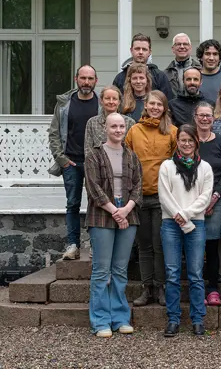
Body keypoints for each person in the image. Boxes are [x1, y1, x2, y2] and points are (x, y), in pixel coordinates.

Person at [85, 113, 142, 338]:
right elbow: (93, 187)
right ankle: (100, 321)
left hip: (128, 213)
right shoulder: (94, 155)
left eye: (121, 126)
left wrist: (125, 210)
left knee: (120, 270)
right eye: (114, 126)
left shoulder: (131, 155)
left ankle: (120, 318)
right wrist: (115, 211)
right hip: (102, 215)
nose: (118, 130)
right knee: (101, 271)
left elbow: (139, 185)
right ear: (105, 129)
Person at [158, 124, 214, 337]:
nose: (187, 144)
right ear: (177, 142)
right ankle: (173, 319)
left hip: (196, 224)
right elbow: (164, 196)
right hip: (171, 223)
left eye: (190, 140)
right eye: (183, 140)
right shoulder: (167, 166)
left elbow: (205, 197)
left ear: (196, 143)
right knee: (172, 274)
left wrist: (187, 216)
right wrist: (179, 217)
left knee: (196, 273)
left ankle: (198, 319)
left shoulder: (205, 168)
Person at [125, 90, 178, 307]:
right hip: (139, 197)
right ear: (145, 105)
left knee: (160, 245)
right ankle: (147, 288)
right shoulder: (134, 131)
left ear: (164, 108)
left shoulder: (172, 131)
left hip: (162, 198)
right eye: (152, 104)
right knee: (144, 246)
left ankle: (161, 287)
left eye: (159, 104)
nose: (155, 108)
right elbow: (126, 162)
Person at [48, 65, 101, 260]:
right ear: (76, 79)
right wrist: (62, 160)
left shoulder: (101, 103)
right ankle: (73, 245)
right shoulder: (64, 104)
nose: (86, 82)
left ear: (96, 80)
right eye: (83, 78)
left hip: (95, 163)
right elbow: (54, 133)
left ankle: (96, 244)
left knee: (97, 203)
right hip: (71, 162)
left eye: (90, 78)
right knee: (73, 204)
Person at [194, 102, 221, 307]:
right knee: (194, 245)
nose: (205, 119)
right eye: (201, 115)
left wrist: (214, 197)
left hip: (215, 201)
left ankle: (213, 288)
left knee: (212, 245)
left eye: (208, 116)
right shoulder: (189, 141)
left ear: (213, 119)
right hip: (191, 200)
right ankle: (196, 286)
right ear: (195, 117)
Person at [113, 33, 174, 100]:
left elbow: (168, 103)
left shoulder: (160, 77)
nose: (141, 52)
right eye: (137, 49)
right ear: (131, 50)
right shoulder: (120, 78)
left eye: (144, 49)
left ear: (150, 52)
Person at [84, 86, 137, 159]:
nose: (111, 102)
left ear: (119, 102)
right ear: (101, 101)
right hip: (98, 167)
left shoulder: (129, 122)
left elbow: (133, 151)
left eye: (114, 99)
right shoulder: (92, 123)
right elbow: (88, 151)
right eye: (107, 98)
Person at [197, 39, 221, 104]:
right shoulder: (193, 79)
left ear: (220, 58)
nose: (211, 58)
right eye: (207, 54)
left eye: (215, 54)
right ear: (201, 57)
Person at [165, 33, 202, 97]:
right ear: (173, 49)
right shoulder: (166, 73)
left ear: (190, 48)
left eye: (185, 44)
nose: (182, 47)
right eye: (178, 44)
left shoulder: (200, 69)